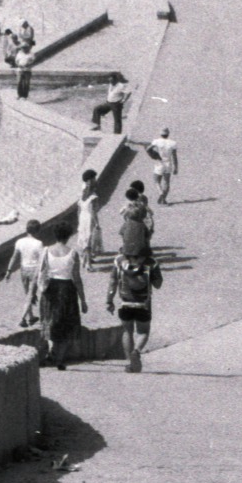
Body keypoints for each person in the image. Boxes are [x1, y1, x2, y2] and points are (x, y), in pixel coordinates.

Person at [108, 207, 163, 373]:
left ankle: (130, 364)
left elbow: (112, 282)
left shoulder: (119, 261)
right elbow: (158, 284)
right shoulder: (150, 262)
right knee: (143, 331)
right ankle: (136, 352)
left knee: (127, 331)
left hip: (125, 301)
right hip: (143, 302)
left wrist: (109, 300)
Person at [29, 222, 87, 370]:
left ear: (55, 235)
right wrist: (83, 300)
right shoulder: (73, 253)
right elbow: (77, 278)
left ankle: (50, 354)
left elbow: (39, 272)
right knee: (66, 324)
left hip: (51, 289)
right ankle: (60, 359)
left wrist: (34, 291)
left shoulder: (46, 250)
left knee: (49, 321)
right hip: (67, 289)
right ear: (68, 236)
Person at [5, 220, 45, 325]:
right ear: (38, 231)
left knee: (28, 293)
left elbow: (14, 257)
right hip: (34, 270)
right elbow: (42, 261)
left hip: (23, 270)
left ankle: (31, 316)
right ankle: (22, 319)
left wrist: (9, 270)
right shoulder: (38, 243)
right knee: (31, 295)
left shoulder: (19, 242)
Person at [76, 168, 102, 269]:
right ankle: (88, 264)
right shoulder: (93, 196)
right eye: (94, 178)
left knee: (84, 238)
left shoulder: (81, 195)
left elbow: (78, 210)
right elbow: (93, 211)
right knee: (89, 240)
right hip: (89, 219)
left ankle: (86, 259)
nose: (96, 180)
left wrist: (79, 220)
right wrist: (97, 223)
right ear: (91, 180)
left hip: (82, 217)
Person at [148, 128, 179, 204]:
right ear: (168, 134)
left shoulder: (156, 141)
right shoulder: (173, 143)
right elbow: (174, 157)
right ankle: (163, 199)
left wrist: (153, 155)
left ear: (160, 134)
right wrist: (176, 167)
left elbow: (148, 149)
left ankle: (160, 192)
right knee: (167, 182)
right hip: (168, 163)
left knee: (156, 180)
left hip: (160, 162)